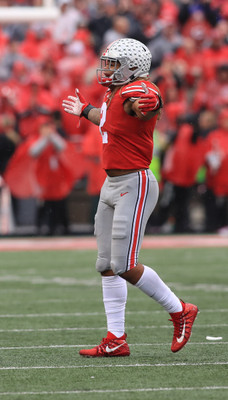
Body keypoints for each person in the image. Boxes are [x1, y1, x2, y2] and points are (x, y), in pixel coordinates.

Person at [62, 38, 198, 357]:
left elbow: (146, 98)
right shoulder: (113, 94)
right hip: (112, 184)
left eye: (113, 64)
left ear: (132, 68)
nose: (106, 69)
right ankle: (116, 338)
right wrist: (84, 111)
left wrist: (146, 101)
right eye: (106, 63)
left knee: (124, 264)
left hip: (134, 182)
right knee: (105, 264)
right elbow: (109, 121)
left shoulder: (135, 91)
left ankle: (180, 310)